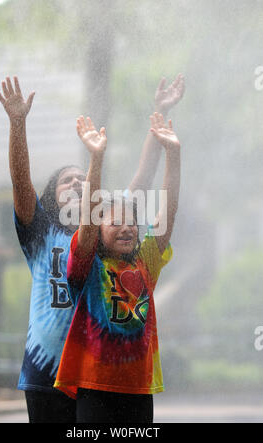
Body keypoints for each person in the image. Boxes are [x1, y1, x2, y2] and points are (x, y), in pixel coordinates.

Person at [0, 74, 184, 423]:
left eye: (82, 179)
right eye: (67, 179)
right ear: (52, 196)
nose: (77, 182)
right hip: (45, 371)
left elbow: (144, 181)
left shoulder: (110, 239)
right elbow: (21, 182)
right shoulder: (41, 231)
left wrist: (159, 115)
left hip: (94, 371)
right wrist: (18, 124)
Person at [54, 112, 181, 423]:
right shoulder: (88, 264)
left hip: (138, 388)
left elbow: (169, 211)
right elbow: (88, 219)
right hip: (94, 387)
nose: (127, 228)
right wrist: (96, 158)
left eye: (131, 223)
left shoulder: (146, 262)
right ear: (99, 228)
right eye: (116, 222)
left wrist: (174, 155)